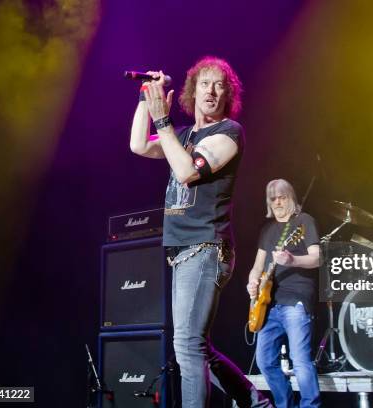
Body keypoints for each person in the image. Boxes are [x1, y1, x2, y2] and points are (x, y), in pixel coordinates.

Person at [130, 56, 270, 408]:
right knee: (198, 347)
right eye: (204, 83)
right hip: (183, 250)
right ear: (192, 92)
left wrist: (162, 118)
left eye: (219, 84)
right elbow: (137, 145)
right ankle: (256, 403)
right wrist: (147, 98)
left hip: (206, 247)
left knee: (187, 346)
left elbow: (187, 173)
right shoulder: (182, 135)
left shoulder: (229, 133)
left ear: (227, 95)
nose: (211, 90)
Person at [246, 179, 321, 408]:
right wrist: (252, 282)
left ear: (291, 197)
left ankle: (310, 405)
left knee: (300, 361)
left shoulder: (304, 221)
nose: (277, 202)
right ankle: (285, 404)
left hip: (296, 300)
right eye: (273, 198)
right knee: (265, 361)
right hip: (269, 304)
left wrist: (293, 259)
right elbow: (258, 266)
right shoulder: (267, 230)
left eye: (282, 197)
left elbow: (317, 257)